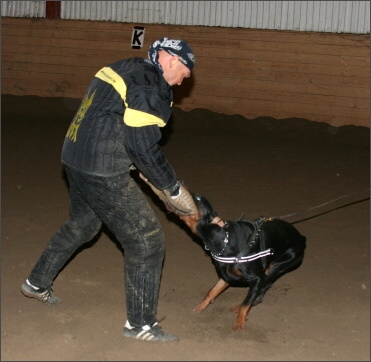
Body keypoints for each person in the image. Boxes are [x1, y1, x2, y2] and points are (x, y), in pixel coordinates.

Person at [20, 37, 198, 343]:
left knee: (83, 225)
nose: (186, 78)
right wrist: (172, 187)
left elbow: (107, 117)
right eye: (186, 69)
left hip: (75, 157)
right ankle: (140, 324)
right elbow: (142, 146)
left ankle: (36, 283)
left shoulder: (126, 67)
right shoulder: (151, 86)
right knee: (146, 241)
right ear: (170, 60)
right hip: (102, 168)